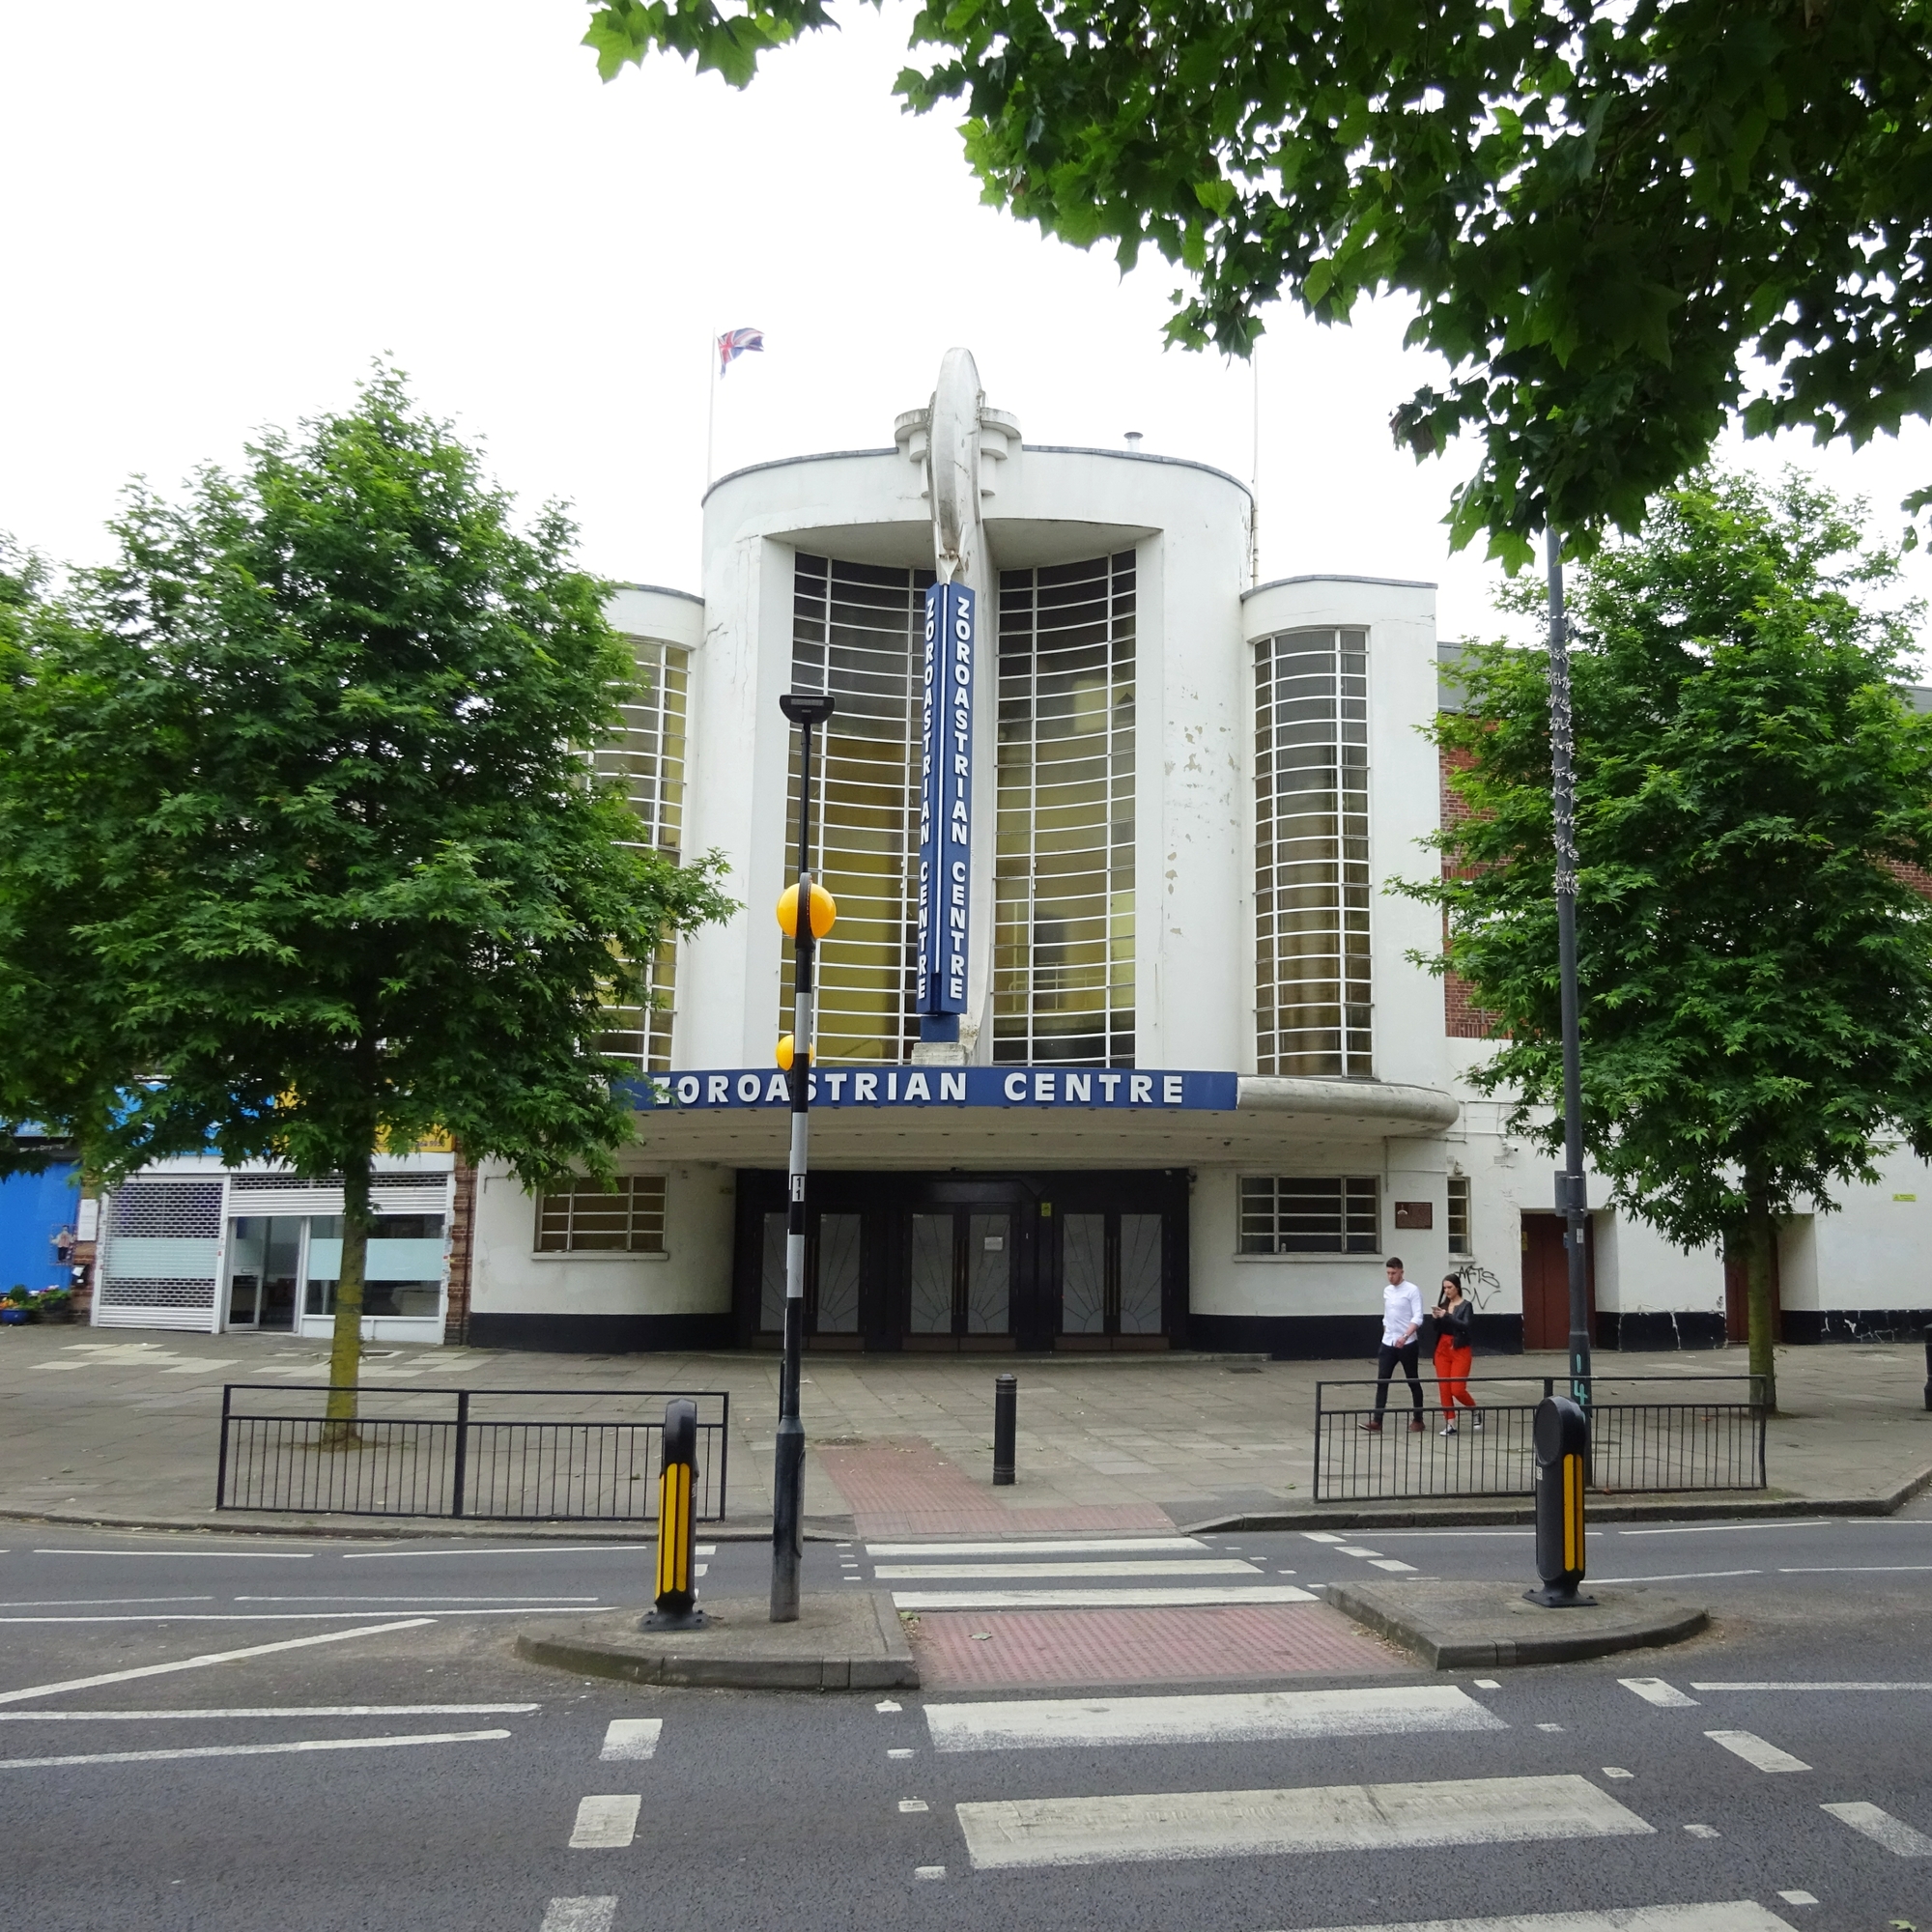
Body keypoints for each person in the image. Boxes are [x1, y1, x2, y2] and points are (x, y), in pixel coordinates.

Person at [1361, 1256, 1424, 1432]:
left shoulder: (1412, 1290)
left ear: (1401, 1272)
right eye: (1388, 1273)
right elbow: (1387, 1315)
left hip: (1407, 1343)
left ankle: (1418, 1418)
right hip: (1388, 1342)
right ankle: (1377, 1420)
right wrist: (1386, 1331)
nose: (1390, 1276)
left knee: (1412, 1380)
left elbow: (1418, 1316)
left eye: (1394, 1273)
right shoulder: (1387, 1291)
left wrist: (1405, 1335)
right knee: (1382, 1380)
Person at [1434, 1273, 1480, 1435]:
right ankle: (1450, 1423)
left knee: (1457, 1388)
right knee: (1444, 1388)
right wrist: (1436, 1318)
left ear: (1457, 1287)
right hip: (1442, 1348)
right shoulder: (1443, 1305)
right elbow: (1437, 1329)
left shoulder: (1466, 1306)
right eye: (1444, 1288)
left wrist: (1447, 1316)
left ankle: (1474, 1409)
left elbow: (1465, 1325)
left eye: (1450, 1287)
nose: (1447, 1291)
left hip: (1459, 1347)